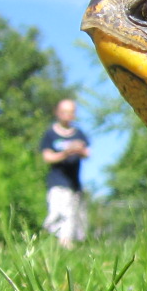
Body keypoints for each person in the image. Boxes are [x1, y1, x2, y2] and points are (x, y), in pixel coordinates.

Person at [40, 98, 90, 245]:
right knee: (59, 214)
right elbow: (47, 157)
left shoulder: (79, 133)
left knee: (76, 218)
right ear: (57, 113)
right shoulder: (51, 134)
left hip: (74, 184)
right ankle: (56, 242)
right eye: (64, 112)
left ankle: (70, 246)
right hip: (57, 182)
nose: (67, 115)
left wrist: (79, 150)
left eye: (70, 112)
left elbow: (88, 153)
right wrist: (66, 153)